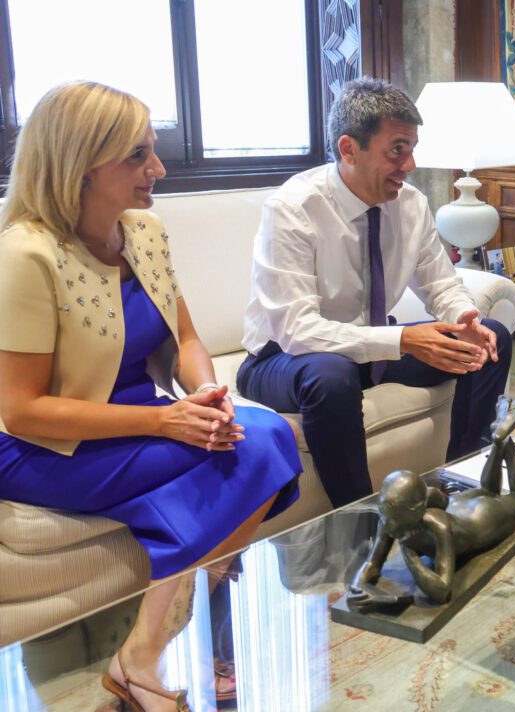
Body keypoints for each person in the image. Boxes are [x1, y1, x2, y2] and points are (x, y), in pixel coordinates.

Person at [0, 81, 301, 711]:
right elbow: (21, 409)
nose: (157, 169)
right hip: (47, 447)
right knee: (264, 441)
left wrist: (206, 392)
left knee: (257, 433)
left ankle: (140, 653)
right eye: (137, 155)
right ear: (81, 165)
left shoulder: (144, 231)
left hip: (142, 421)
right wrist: (167, 422)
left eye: (153, 151)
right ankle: (148, 647)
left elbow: (184, 337)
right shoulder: (25, 253)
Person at [238, 77, 511, 508]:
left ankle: (463, 490)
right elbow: (297, 330)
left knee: (491, 340)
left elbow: (441, 284)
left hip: (366, 352)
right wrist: (403, 340)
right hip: (282, 359)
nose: (410, 164)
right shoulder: (293, 209)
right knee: (331, 375)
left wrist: (464, 319)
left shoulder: (411, 204)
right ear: (349, 149)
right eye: (397, 150)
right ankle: (362, 522)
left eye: (413, 148)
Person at [352, 401, 515, 604]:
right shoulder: (392, 516)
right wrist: (357, 588)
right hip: (456, 505)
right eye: (385, 516)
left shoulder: (438, 525)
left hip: (478, 518)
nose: (388, 525)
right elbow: (372, 564)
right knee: (488, 490)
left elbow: (442, 591)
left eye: (394, 519)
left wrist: (409, 555)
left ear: (415, 510)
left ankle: (503, 440)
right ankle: (499, 441)